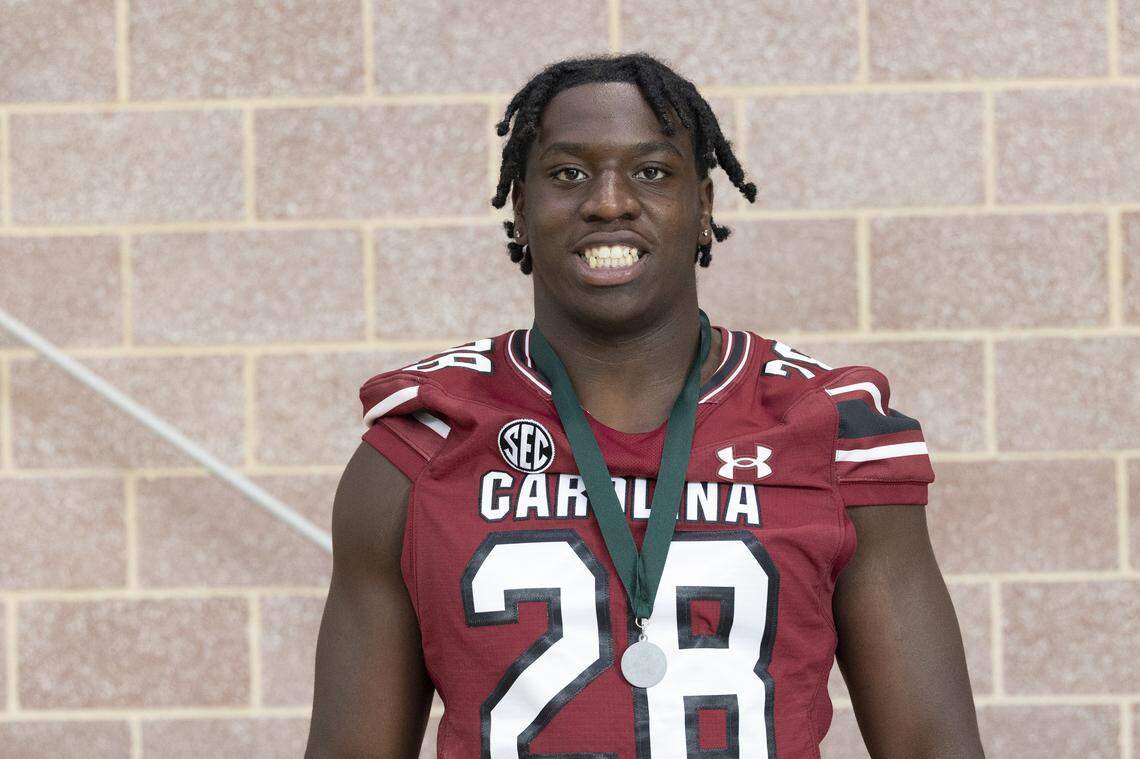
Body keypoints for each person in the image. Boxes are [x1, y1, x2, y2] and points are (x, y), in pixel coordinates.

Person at [305, 52, 985, 758]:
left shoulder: (829, 428)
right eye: (568, 173)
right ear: (522, 210)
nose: (608, 201)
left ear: (704, 207)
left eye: (652, 172)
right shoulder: (422, 442)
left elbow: (932, 742)